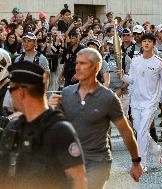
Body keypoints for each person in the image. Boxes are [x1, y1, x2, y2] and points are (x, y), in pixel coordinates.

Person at [49, 48, 143, 189]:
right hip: (70, 160)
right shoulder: (67, 93)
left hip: (98, 161)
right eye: (77, 63)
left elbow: (125, 131)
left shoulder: (108, 97)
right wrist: (52, 108)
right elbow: (57, 127)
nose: (77, 67)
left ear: (96, 66)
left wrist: (136, 162)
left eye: (83, 63)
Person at [0, 60, 87, 189]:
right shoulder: (14, 127)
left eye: (10, 89)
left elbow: (79, 180)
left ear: (21, 92)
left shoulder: (60, 131)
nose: (9, 95)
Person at [118, 33, 162, 170]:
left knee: (142, 131)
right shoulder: (135, 60)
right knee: (138, 129)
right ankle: (156, 149)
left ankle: (142, 163)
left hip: (151, 102)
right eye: (144, 41)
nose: (146, 43)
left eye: (149, 41)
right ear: (141, 44)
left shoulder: (160, 63)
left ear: (154, 44)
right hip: (136, 101)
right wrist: (122, 76)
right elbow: (132, 80)